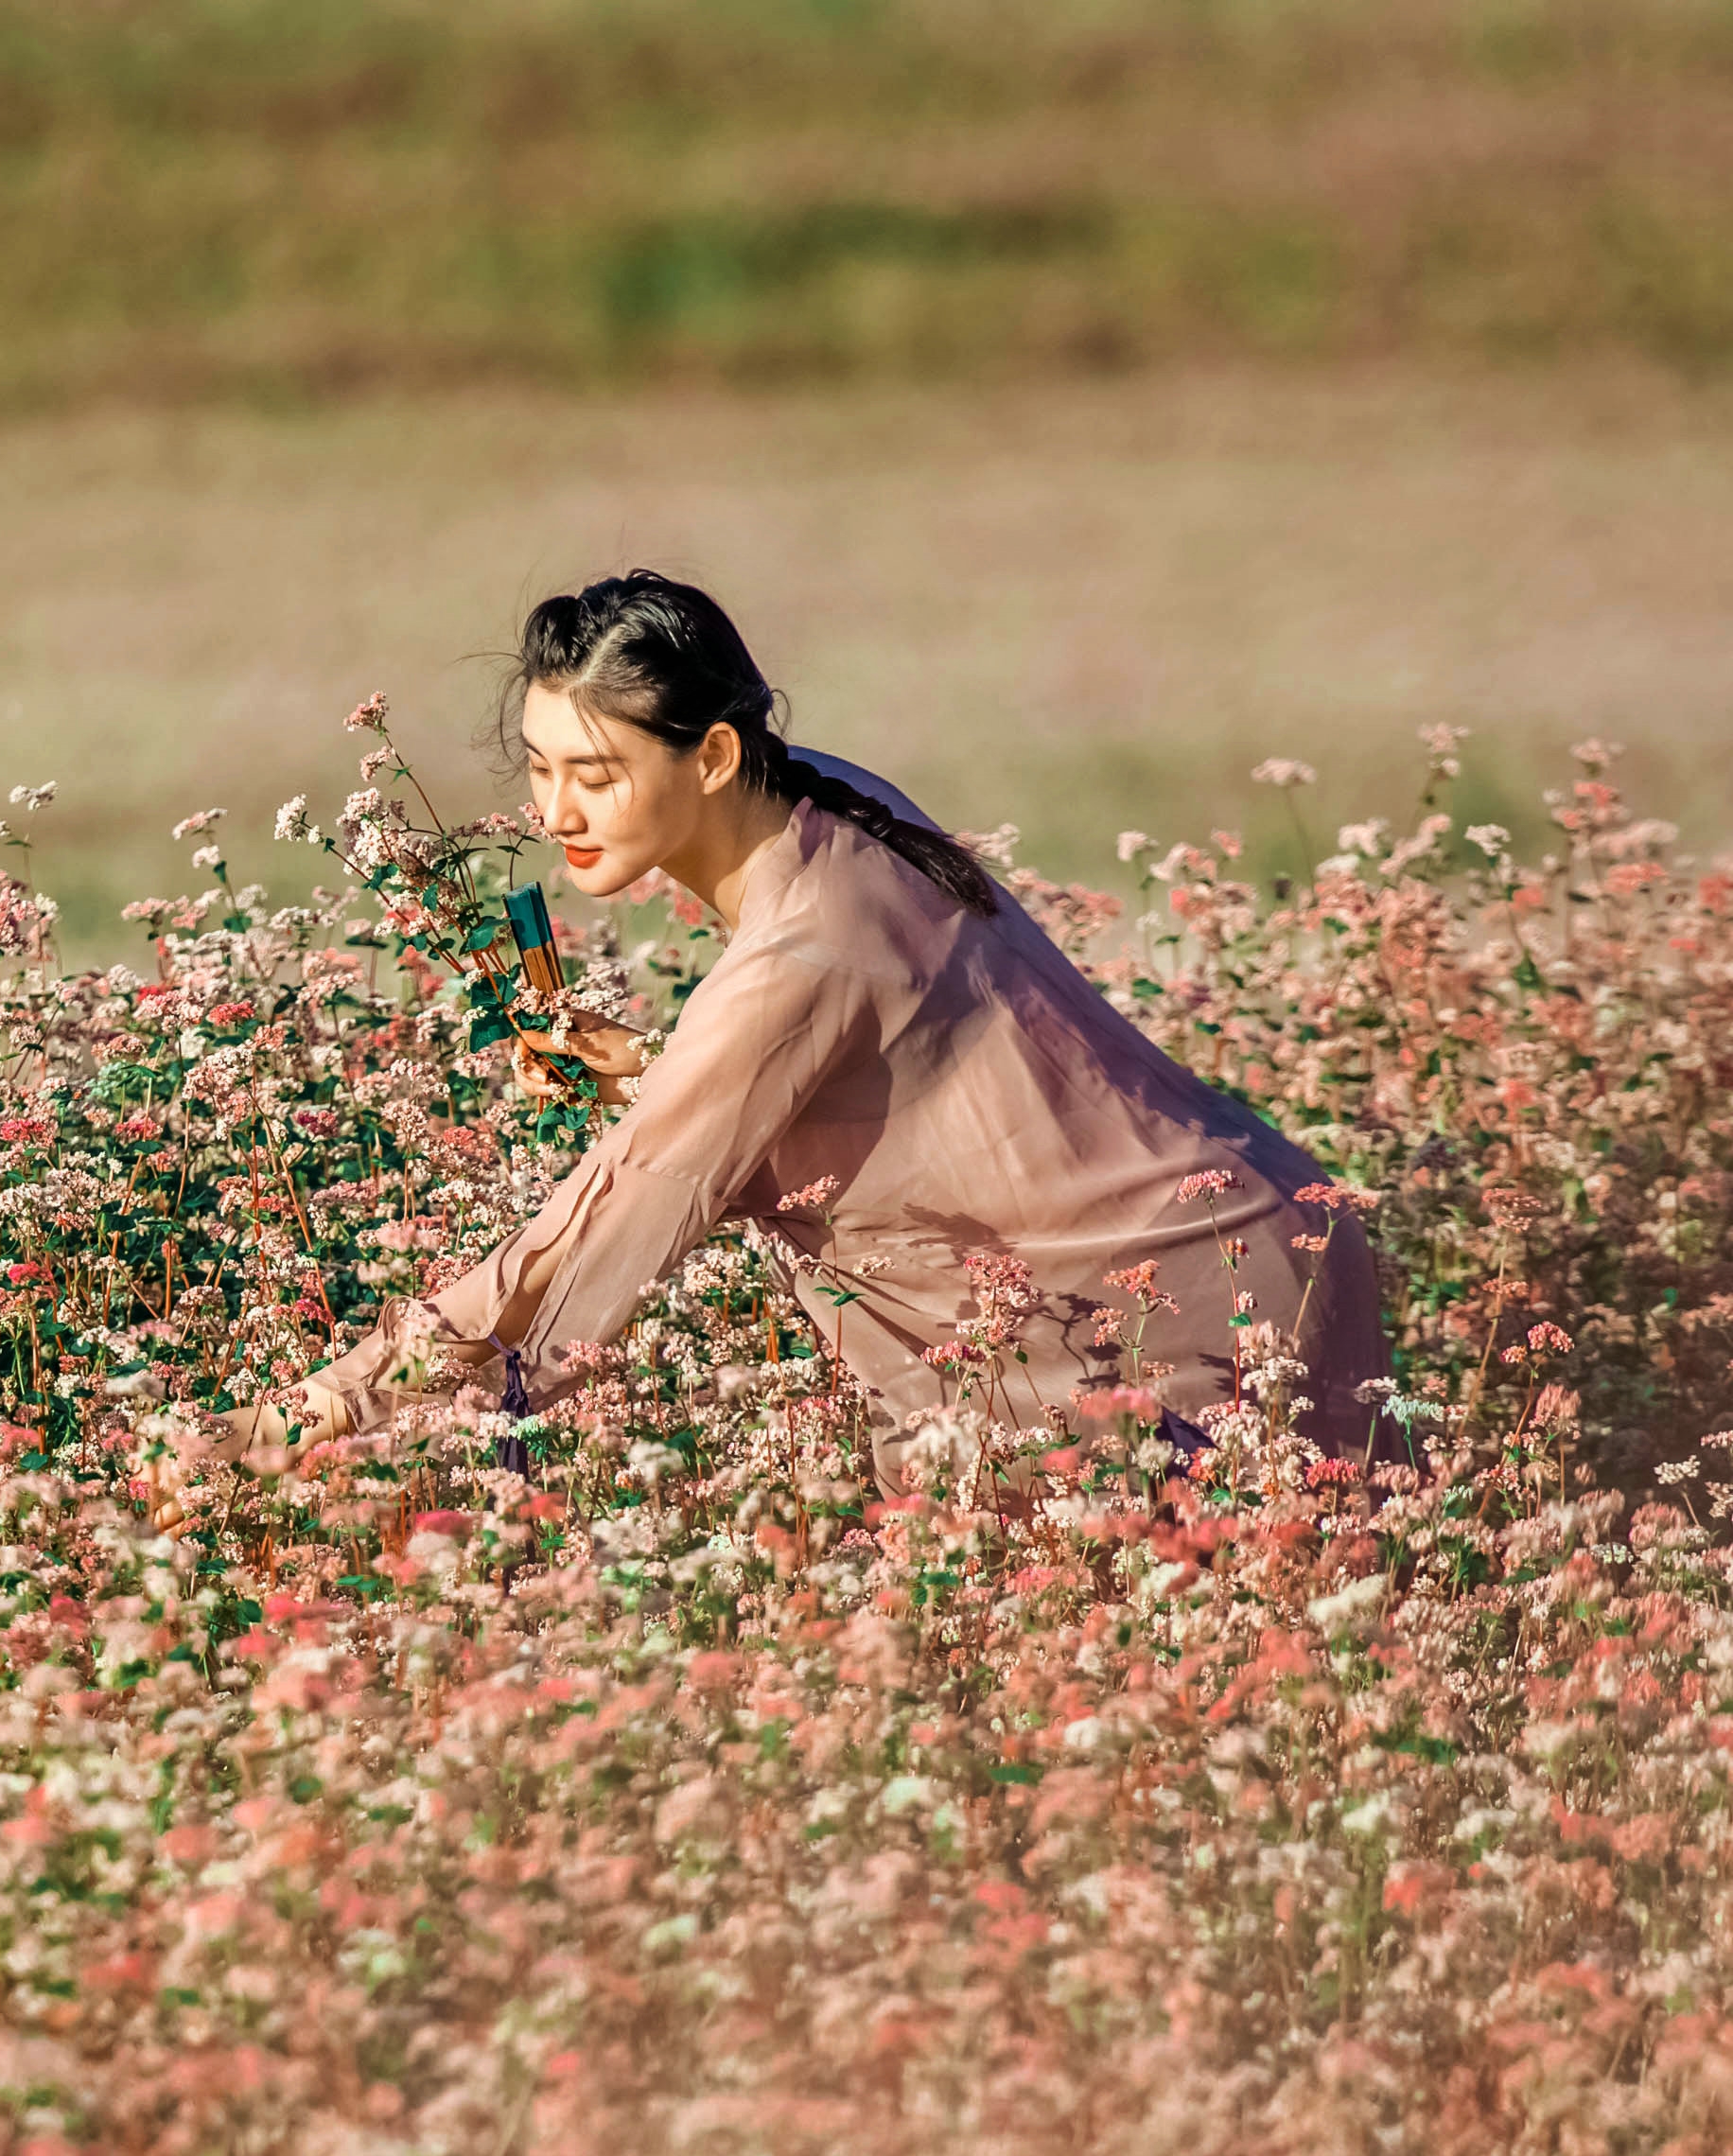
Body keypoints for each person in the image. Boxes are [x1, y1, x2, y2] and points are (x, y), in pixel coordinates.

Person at [178, 570, 1390, 1498]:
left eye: (594, 775)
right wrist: (665, 1076)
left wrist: (301, 1429)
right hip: (1248, 1225)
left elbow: (575, 1255)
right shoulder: (821, 790)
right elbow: (911, 1075)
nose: (554, 814)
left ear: (710, 754)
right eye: (539, 770)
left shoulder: (800, 955)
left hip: (1178, 1304)